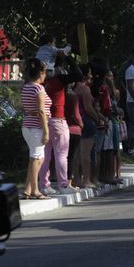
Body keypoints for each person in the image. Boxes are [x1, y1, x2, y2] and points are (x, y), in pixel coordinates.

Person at [37, 51, 83, 195]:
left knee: (46, 155)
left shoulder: (41, 83)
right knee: (61, 155)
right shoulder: (58, 81)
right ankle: (63, 185)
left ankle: (44, 185)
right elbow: (78, 75)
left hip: (44, 121)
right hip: (58, 120)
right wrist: (68, 58)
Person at [21, 58, 52, 200]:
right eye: (45, 73)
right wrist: (46, 131)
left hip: (27, 125)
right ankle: (35, 190)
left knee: (35, 158)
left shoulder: (26, 87)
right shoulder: (39, 88)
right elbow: (41, 111)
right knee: (37, 158)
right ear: (41, 73)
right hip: (36, 126)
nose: (46, 76)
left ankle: (27, 190)